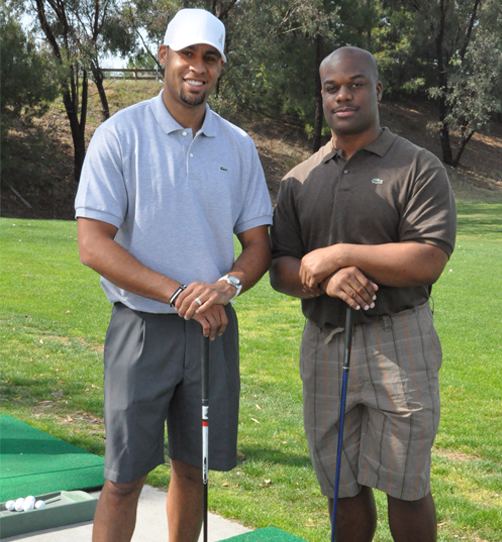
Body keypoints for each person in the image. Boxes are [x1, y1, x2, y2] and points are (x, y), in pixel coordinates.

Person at [75, 8, 272, 542]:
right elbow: (93, 244)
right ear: (164, 56)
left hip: (212, 332)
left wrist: (227, 286)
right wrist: (180, 292)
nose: (197, 67)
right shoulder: (121, 135)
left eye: (210, 58)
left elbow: (258, 245)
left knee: (194, 469)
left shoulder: (238, 145)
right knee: (123, 478)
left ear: (220, 66)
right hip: (141, 329)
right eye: (187, 54)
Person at [270, 46, 456, 542]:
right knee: (340, 484)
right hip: (326, 341)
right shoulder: (299, 179)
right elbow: (281, 266)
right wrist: (325, 278)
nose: (343, 95)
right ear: (322, 96)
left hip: (400, 340)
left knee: (406, 483)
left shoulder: (417, 166)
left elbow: (429, 257)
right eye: (332, 87)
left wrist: (339, 254)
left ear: (377, 90)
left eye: (355, 84)